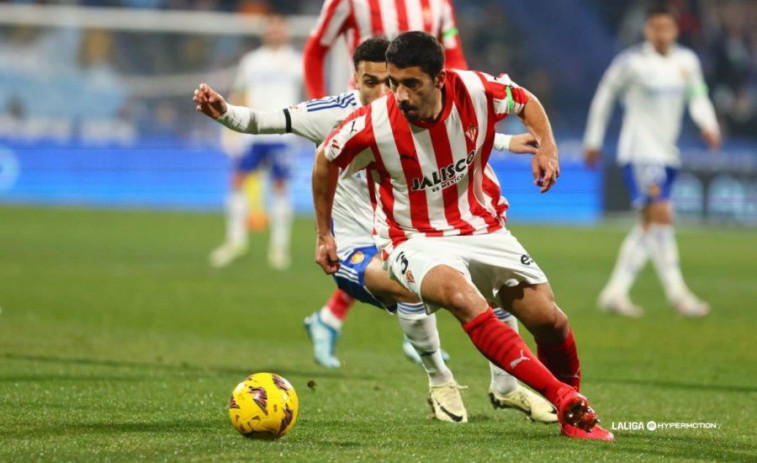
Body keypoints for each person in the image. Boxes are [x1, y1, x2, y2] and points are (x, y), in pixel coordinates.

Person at [193, 38, 557, 424]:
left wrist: (503, 141)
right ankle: (440, 381)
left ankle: (505, 387)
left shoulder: (410, 109)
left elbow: (450, 129)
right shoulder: (335, 115)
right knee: (408, 283)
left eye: (392, 81)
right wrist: (226, 113)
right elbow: (266, 121)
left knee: (490, 278)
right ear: (355, 81)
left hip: (411, 237)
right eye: (372, 82)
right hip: (357, 250)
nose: (387, 92)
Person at [312, 31, 614, 441]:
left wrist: (548, 148)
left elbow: (526, 100)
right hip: (411, 239)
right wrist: (324, 234)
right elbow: (325, 160)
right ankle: (562, 398)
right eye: (394, 83)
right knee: (461, 297)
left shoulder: (474, 89)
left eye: (411, 84)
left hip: (481, 226)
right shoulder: (373, 124)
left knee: (550, 321)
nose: (399, 95)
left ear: (440, 79)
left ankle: (572, 416)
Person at [303, 0, 469, 363]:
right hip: (368, 126)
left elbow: (454, 61)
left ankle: (334, 318)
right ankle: (414, 318)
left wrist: (458, 116)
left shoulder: (439, 5)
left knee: (410, 228)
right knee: (386, 230)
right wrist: (321, 108)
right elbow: (316, 48)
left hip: (416, 124)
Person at [583, 5, 720, 318]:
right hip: (639, 151)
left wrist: (708, 124)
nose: (661, 34)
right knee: (662, 215)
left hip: (667, 152)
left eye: (666, 28)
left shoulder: (687, 61)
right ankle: (678, 294)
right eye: (655, 28)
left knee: (649, 224)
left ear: (675, 30)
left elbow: (697, 96)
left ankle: (615, 292)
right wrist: (593, 140)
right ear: (647, 30)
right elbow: (604, 97)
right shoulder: (631, 63)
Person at [209, 15, 302, 270]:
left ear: (285, 33)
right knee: (236, 181)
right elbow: (240, 92)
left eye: (278, 30)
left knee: (280, 186)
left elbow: (308, 92)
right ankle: (236, 241)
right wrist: (228, 125)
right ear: (264, 34)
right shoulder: (252, 61)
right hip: (252, 132)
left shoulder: (296, 62)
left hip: (283, 133)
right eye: (270, 30)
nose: (274, 34)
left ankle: (279, 248)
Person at [303, 0, 467, 100]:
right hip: (365, 110)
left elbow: (453, 58)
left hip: (418, 109)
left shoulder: (439, 2)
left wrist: (452, 98)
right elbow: (314, 52)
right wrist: (320, 102)